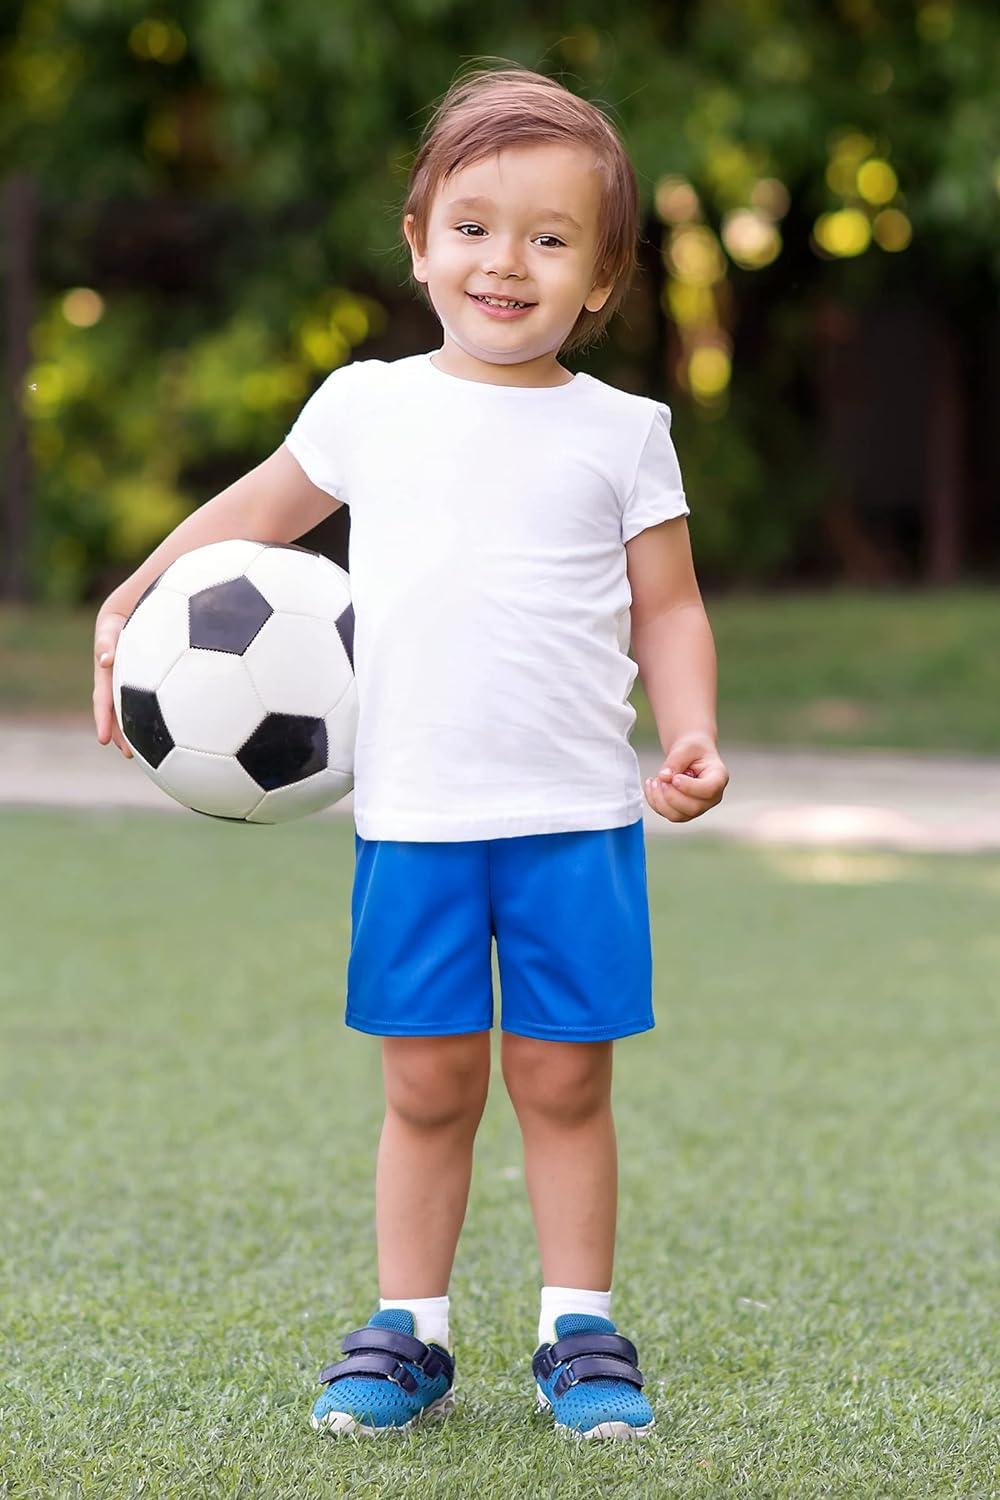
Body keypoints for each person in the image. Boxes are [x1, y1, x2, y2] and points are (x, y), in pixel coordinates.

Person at [92, 62, 729, 1442]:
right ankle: (410, 1331)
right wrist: (140, 591)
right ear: (420, 241)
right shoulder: (367, 406)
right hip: (416, 822)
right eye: (476, 226)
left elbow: (670, 605)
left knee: (566, 1075)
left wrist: (690, 733)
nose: (508, 261)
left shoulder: (625, 434)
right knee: (427, 1081)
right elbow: (255, 513)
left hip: (573, 816)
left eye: (553, 239)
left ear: (604, 278)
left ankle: (579, 1326)